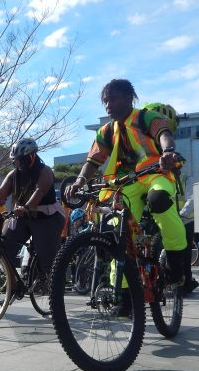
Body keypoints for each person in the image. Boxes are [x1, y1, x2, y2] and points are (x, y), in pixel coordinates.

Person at [64, 83, 189, 292]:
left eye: (113, 99)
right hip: (125, 183)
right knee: (117, 234)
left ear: (130, 97)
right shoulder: (106, 131)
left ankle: (176, 267)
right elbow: (92, 162)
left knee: (160, 201)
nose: (108, 105)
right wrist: (78, 182)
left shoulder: (144, 117)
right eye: (105, 101)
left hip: (154, 174)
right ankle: (122, 293)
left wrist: (168, 151)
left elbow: (164, 133)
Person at [0, 138, 66, 287]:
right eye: (16, 160)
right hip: (22, 215)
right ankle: (13, 286)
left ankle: (52, 287)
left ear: (32, 156)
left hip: (47, 218)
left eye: (22, 159)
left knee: (47, 257)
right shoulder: (14, 175)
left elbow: (39, 192)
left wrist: (26, 207)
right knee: (4, 248)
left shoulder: (45, 171)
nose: (19, 163)